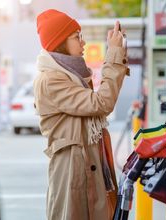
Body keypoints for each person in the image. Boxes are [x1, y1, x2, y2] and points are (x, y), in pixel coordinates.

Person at [34, 9, 129, 220]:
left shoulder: (72, 75)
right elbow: (101, 103)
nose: (83, 43)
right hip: (72, 176)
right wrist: (113, 55)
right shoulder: (51, 80)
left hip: (85, 171)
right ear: (59, 43)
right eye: (77, 37)